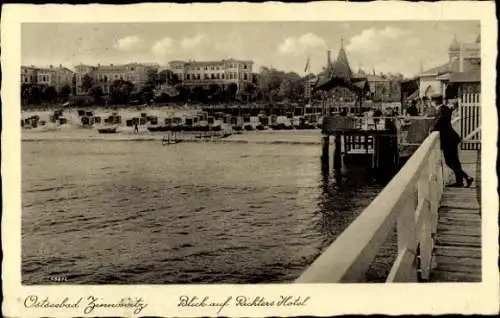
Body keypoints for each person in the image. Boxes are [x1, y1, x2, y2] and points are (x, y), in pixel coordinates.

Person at [431, 99, 474, 187]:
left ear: (434, 102)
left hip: (448, 140)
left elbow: (439, 122)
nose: (431, 103)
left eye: (431, 102)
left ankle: (466, 177)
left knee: (450, 162)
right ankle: (460, 182)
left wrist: (431, 129)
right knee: (454, 161)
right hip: (451, 138)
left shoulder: (442, 110)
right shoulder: (445, 108)